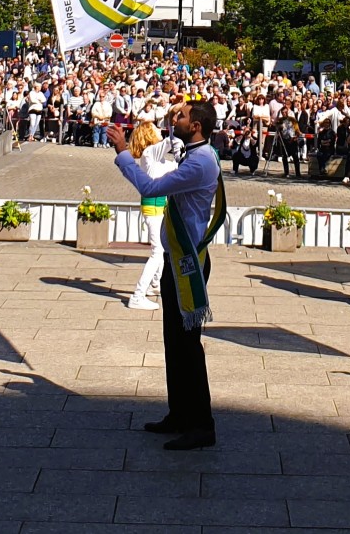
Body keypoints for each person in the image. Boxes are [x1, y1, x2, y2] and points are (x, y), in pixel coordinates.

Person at [109, 101, 222, 451]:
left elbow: (150, 187)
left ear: (197, 126)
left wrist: (124, 152)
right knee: (174, 340)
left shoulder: (200, 162)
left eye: (182, 116)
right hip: (178, 258)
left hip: (188, 261)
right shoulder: (197, 153)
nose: (175, 119)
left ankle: (201, 424)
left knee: (188, 344)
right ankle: (180, 413)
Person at [126, 119, 173, 311]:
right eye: (155, 128)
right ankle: (137, 295)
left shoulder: (156, 157)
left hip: (159, 207)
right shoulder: (150, 152)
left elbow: (174, 167)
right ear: (148, 134)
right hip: (153, 208)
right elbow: (171, 140)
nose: (159, 130)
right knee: (157, 252)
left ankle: (155, 284)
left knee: (161, 249)